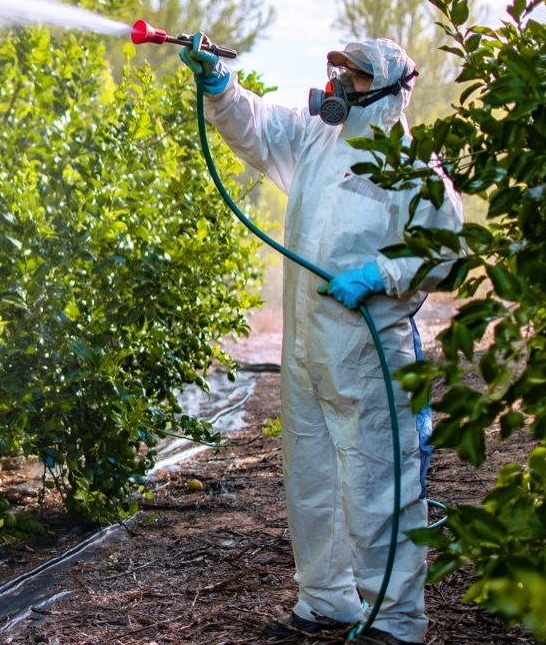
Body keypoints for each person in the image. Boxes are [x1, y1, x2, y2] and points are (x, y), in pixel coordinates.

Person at [180, 35, 463, 645]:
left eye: (353, 79)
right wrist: (219, 87)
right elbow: (258, 126)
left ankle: (395, 618)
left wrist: (382, 275)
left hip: (367, 350)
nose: (337, 87)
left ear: (387, 93)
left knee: (376, 479)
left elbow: (446, 251)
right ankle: (325, 598)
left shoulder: (411, 167)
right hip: (308, 345)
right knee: (311, 476)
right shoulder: (317, 138)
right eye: (336, 73)